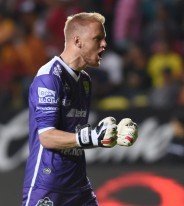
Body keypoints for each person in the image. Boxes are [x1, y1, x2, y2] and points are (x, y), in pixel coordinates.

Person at [21, 12, 138, 206]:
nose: (104, 45)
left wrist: (112, 136)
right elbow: (47, 136)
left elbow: (75, 137)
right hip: (49, 185)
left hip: (78, 184)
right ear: (77, 41)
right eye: (97, 39)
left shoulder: (85, 81)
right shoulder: (49, 77)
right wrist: (92, 137)